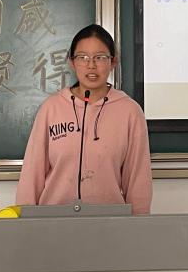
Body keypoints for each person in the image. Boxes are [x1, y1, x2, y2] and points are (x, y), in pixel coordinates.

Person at [16, 24, 152, 214]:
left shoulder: (130, 111)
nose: (91, 65)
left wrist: (139, 224)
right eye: (83, 57)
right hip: (52, 221)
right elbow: (32, 174)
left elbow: (138, 179)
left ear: (113, 62)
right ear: (72, 62)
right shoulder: (51, 108)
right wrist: (24, 222)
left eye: (100, 57)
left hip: (110, 222)